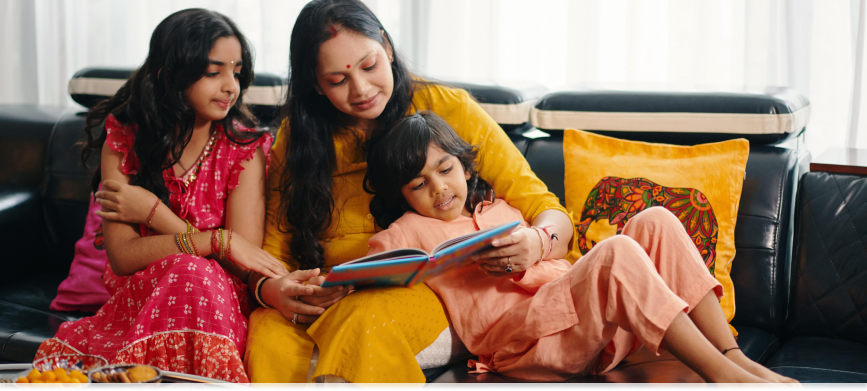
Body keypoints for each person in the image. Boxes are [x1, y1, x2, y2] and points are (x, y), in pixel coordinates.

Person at [243, 0, 574, 388]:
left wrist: (538, 242)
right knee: (267, 333)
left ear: (386, 46)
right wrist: (273, 291)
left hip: (432, 294)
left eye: (369, 66)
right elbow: (272, 256)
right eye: (337, 80)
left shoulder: (447, 108)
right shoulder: (295, 142)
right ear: (315, 84)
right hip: (327, 295)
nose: (362, 89)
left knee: (364, 319)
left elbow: (546, 209)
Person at [362, 111, 803, 390]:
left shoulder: (501, 208)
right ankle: (724, 378)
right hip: (525, 345)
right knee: (614, 253)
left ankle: (734, 356)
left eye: (445, 169)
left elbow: (557, 249)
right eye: (419, 184)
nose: (439, 189)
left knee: (656, 220)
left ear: (464, 164)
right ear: (402, 196)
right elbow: (371, 267)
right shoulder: (408, 229)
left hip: (587, 323)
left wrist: (532, 247)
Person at [34, 8, 295, 385]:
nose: (230, 87)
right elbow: (123, 257)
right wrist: (213, 241)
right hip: (145, 295)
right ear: (170, 75)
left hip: (219, 303)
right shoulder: (125, 140)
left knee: (194, 271)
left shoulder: (243, 146)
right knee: (190, 267)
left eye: (236, 72)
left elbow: (241, 259)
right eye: (213, 72)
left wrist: (152, 212)